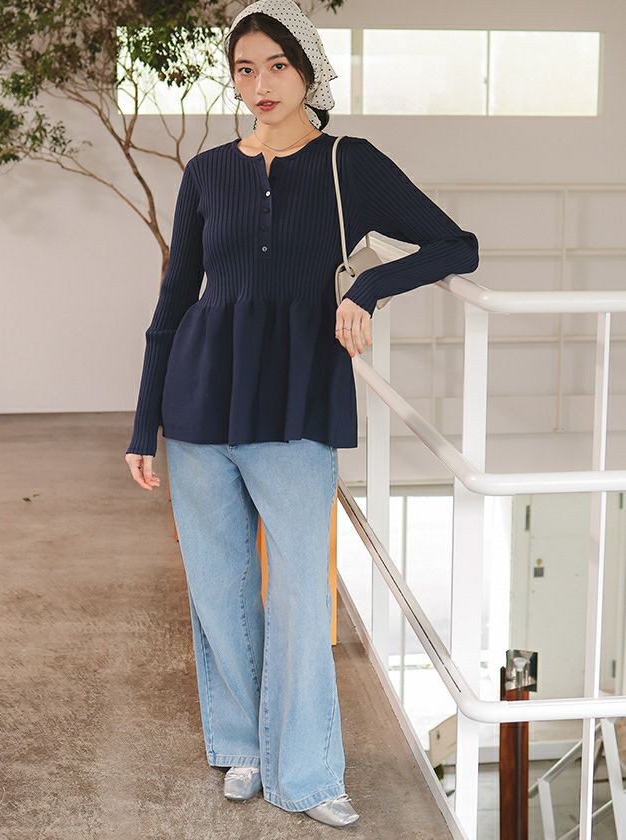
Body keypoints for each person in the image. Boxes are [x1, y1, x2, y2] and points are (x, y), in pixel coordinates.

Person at [124, 0, 480, 828]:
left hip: (298, 399)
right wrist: (144, 424)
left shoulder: (348, 163)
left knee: (299, 596)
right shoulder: (208, 173)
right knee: (219, 588)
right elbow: (173, 303)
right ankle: (244, 747)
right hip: (199, 400)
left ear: (309, 70)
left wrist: (367, 287)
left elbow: (455, 245)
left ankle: (311, 775)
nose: (261, 84)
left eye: (277, 66)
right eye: (245, 69)